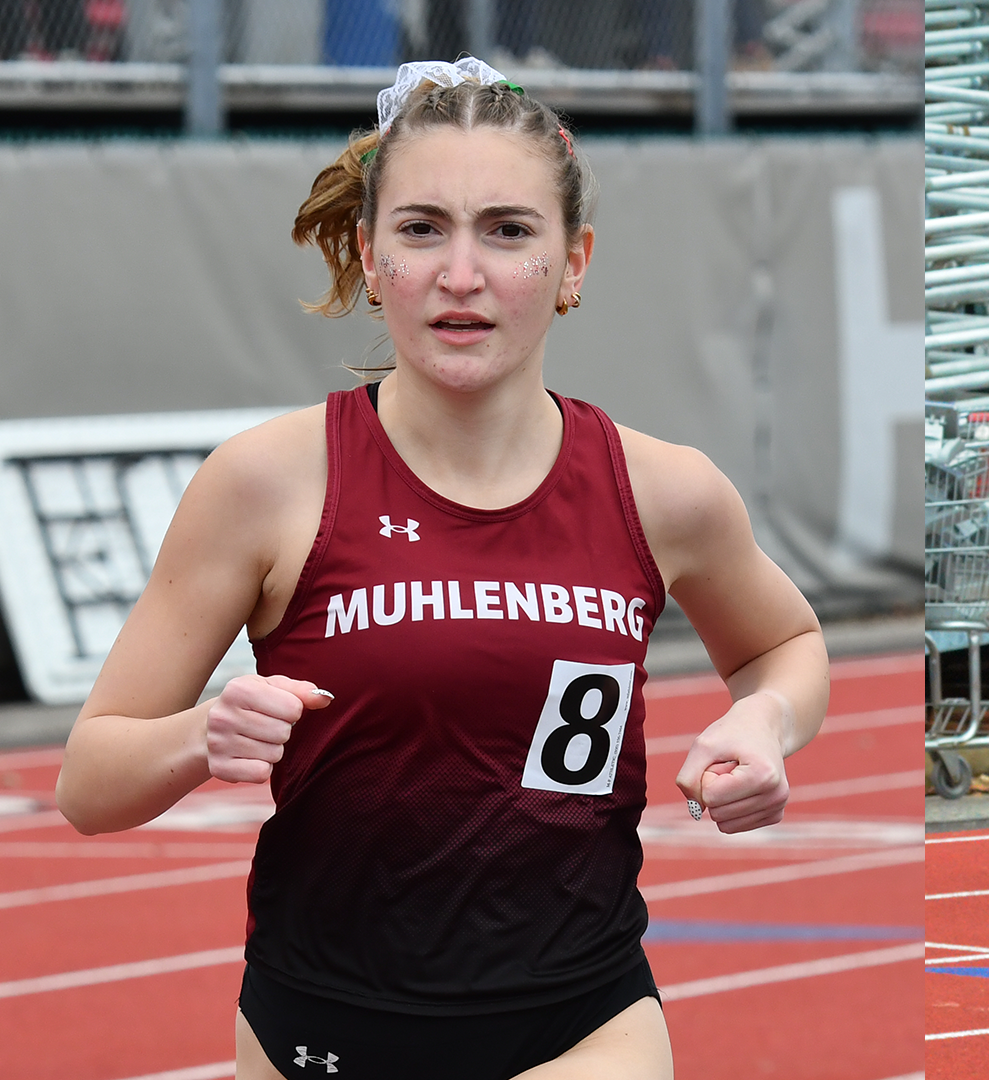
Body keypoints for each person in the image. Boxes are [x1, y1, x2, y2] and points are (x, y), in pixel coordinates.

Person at [53, 58, 828, 1080]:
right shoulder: (266, 484)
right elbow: (88, 783)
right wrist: (206, 733)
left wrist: (761, 721)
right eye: (424, 230)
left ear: (575, 262)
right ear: (372, 259)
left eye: (508, 231)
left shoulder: (664, 490)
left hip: (581, 1024)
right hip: (319, 1029)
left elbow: (786, 643)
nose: (462, 275)